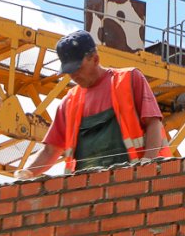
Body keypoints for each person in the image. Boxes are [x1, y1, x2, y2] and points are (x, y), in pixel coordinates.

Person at [14, 30, 171, 179]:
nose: (74, 75)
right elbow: (50, 150)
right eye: (69, 71)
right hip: (89, 193)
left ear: (95, 59)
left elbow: (153, 123)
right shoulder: (69, 103)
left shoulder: (129, 80)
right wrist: (27, 173)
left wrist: (147, 165)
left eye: (77, 68)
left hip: (132, 183)